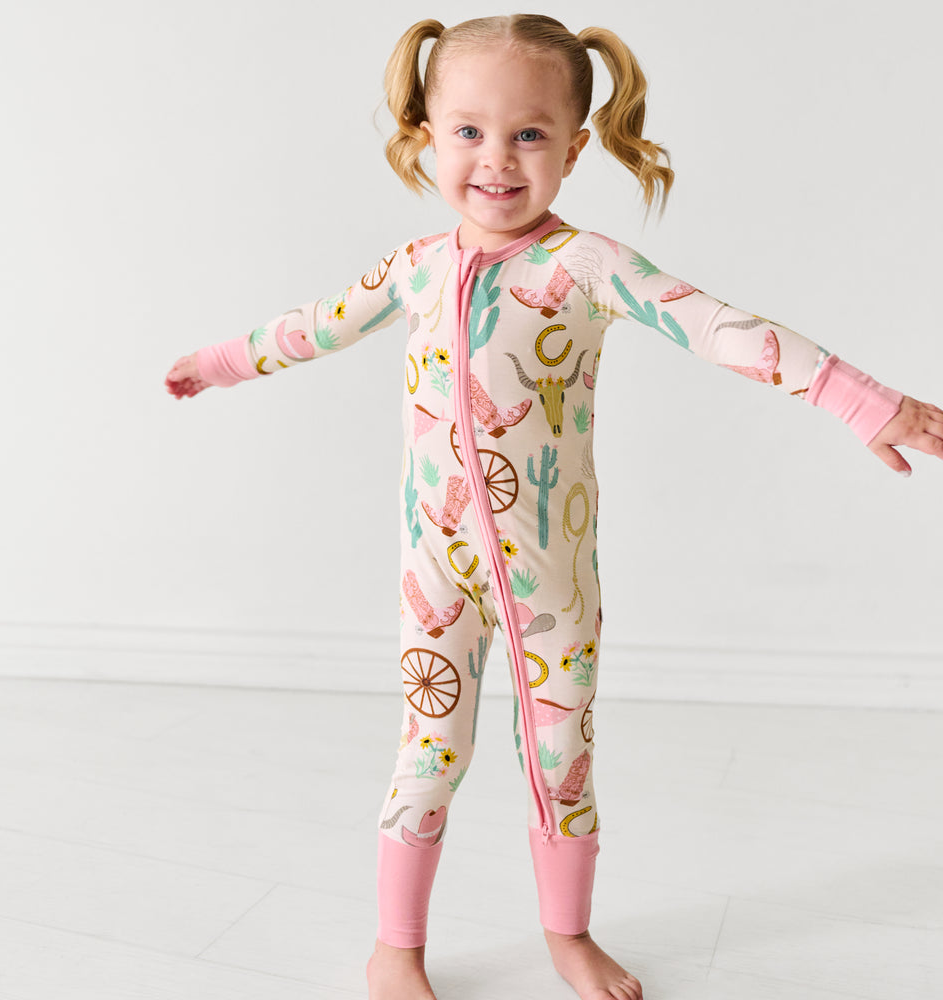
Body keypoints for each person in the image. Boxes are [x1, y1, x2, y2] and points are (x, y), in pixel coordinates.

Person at [164, 15, 943, 1000]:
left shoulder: (584, 267)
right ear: (426, 136)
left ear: (575, 147)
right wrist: (218, 364)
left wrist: (861, 401)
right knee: (426, 753)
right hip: (434, 573)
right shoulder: (414, 265)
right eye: (468, 131)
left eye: (529, 134)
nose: (496, 159)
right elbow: (313, 327)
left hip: (553, 583)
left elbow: (721, 330)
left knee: (562, 757)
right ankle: (395, 948)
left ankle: (567, 934)